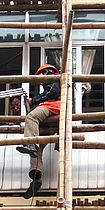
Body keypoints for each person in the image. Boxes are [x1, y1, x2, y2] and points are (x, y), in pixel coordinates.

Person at [17, 63, 61, 198]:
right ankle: (36, 178)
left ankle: (30, 142)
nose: (40, 80)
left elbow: (52, 93)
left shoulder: (54, 79)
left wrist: (34, 100)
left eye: (40, 75)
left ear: (46, 72)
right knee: (37, 151)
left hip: (54, 106)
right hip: (50, 111)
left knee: (31, 117)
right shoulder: (51, 82)